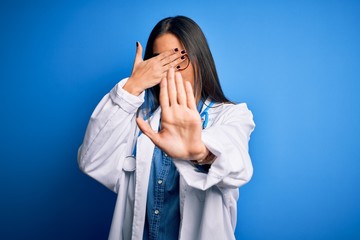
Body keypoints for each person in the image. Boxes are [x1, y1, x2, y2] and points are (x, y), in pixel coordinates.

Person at [78, 15, 255, 240]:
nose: (171, 71)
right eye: (161, 62)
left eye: (179, 59)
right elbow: (91, 161)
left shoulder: (232, 115)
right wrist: (132, 88)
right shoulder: (140, 121)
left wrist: (199, 152)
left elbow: (236, 165)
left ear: (201, 60)